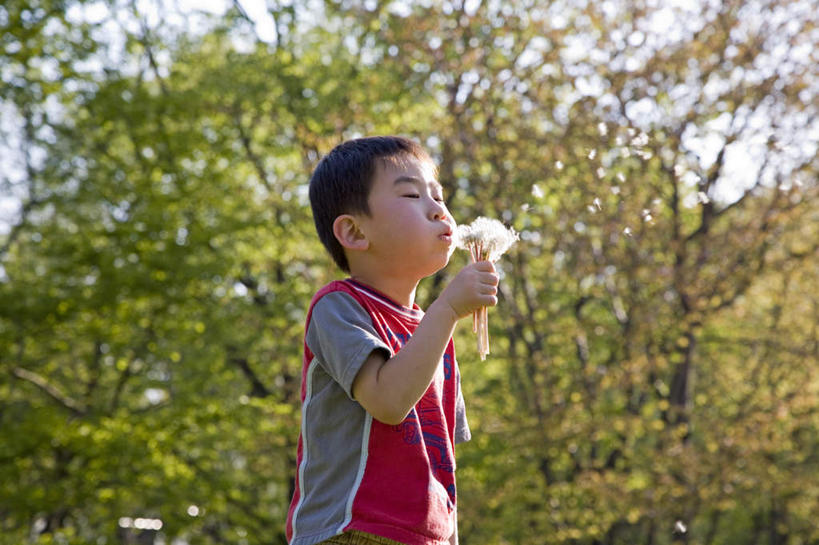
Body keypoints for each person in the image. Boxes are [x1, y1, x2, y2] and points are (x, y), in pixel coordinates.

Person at [286, 136, 499, 545]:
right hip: (351, 530)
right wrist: (448, 310)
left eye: (439, 196)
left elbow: (440, 458)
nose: (439, 209)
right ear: (353, 231)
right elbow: (388, 401)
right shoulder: (338, 307)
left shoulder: (432, 329)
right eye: (411, 194)